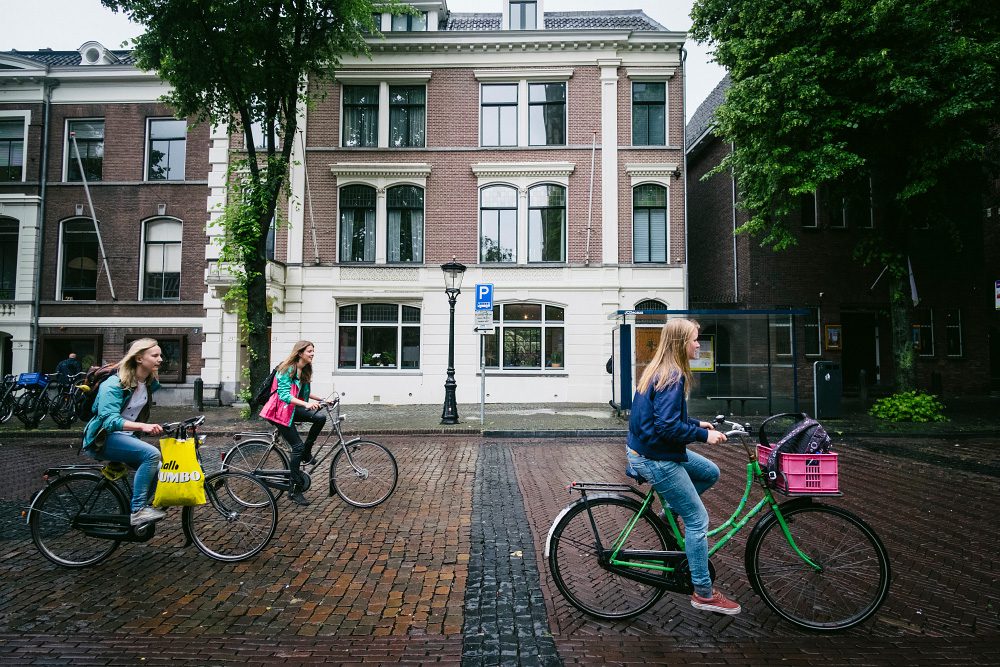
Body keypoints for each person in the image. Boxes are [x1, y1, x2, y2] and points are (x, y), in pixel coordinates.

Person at [625, 318, 741, 615]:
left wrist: (693, 423)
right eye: (694, 339)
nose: (698, 344)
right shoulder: (672, 376)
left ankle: (667, 515)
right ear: (680, 343)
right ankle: (703, 592)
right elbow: (665, 427)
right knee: (698, 520)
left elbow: (664, 419)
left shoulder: (659, 371)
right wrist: (704, 435)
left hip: (652, 450)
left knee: (710, 472)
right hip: (656, 456)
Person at [81, 338, 166, 526]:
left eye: (160, 355)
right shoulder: (113, 384)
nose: (160, 359)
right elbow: (109, 420)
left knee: (160, 469)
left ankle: (141, 508)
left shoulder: (147, 383)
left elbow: (133, 413)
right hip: (102, 438)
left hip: (124, 437)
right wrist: (143, 427)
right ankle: (138, 511)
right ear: (138, 359)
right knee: (151, 454)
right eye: (155, 355)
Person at [259, 340, 327, 507]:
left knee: (320, 418)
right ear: (300, 352)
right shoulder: (287, 368)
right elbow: (283, 395)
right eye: (310, 351)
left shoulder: (304, 369)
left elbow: (304, 395)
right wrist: (305, 405)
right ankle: (294, 489)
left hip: (291, 409)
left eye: (313, 351)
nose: (312, 354)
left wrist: (324, 400)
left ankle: (307, 452)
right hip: (278, 411)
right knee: (297, 446)